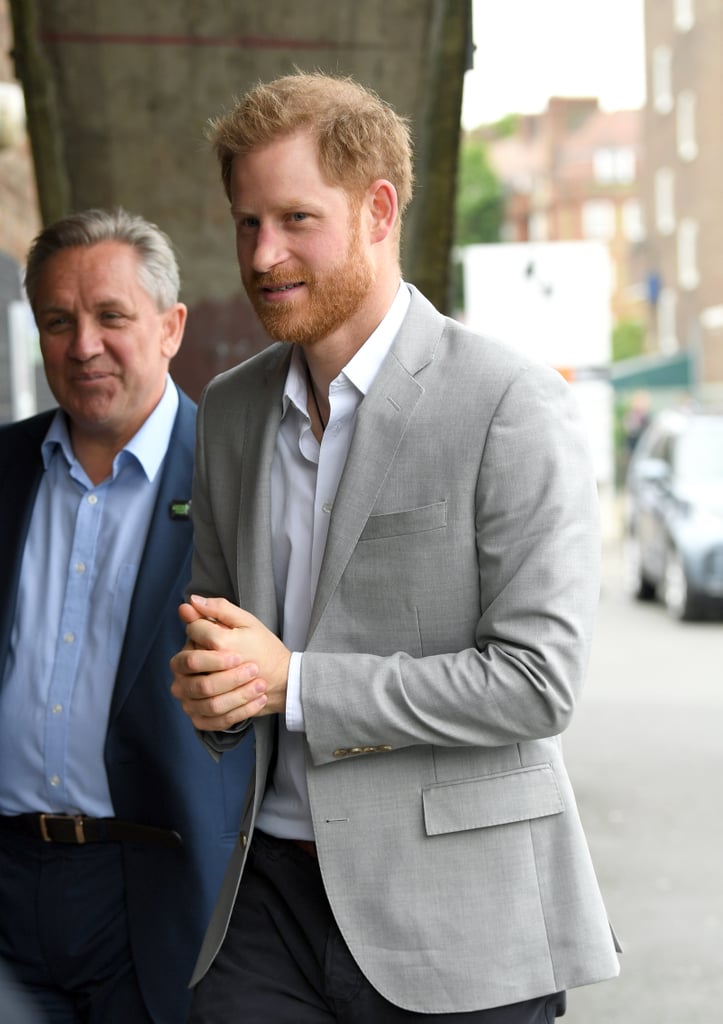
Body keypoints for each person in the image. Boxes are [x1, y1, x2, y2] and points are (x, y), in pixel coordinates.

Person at [170, 72, 621, 1023]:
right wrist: (217, 695)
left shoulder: (509, 403)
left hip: (463, 918)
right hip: (268, 906)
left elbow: (538, 681)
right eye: (246, 222)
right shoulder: (230, 412)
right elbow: (228, 648)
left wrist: (295, 682)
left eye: (295, 218)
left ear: (377, 210)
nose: (262, 253)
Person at [0, 208, 251, 1024]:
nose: (83, 346)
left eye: (112, 316)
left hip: (155, 891)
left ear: (171, 327)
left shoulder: (238, 481)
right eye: (58, 322)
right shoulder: (3, 471)